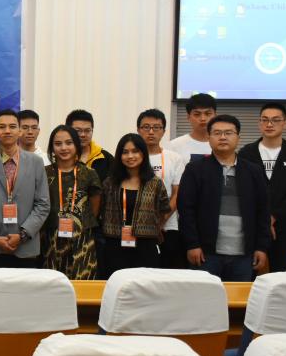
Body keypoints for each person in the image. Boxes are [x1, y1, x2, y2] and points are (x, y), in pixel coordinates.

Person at [179, 115, 270, 281]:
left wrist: (261, 247)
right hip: (206, 254)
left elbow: (263, 211)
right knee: (205, 295)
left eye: (228, 133)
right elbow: (186, 210)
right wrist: (192, 244)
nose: (222, 137)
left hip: (244, 254)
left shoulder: (253, 171)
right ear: (208, 137)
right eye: (217, 133)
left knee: (239, 297)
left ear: (238, 137)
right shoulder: (195, 169)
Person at [0, 109, 50, 268]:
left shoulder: (36, 162)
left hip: (26, 246)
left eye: (12, 126)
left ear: (20, 131)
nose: (7, 131)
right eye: (2, 127)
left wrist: (23, 235)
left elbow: (43, 204)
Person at [239, 102, 286, 273]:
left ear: (285, 123)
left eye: (275, 120)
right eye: (265, 120)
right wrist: (262, 218)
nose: (269, 124)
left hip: (283, 226)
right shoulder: (246, 153)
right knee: (249, 275)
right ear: (259, 123)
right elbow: (242, 189)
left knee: (279, 275)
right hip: (252, 225)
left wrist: (273, 216)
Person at [99, 134, 170, 275]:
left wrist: (151, 227)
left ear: (143, 153)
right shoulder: (110, 183)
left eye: (135, 151)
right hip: (115, 245)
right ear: (119, 156)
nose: (130, 156)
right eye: (125, 152)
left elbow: (164, 210)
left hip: (146, 246)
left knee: (144, 284)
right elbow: (101, 209)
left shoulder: (155, 183)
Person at [40, 125, 102, 280]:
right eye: (58, 144)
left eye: (69, 143)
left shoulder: (89, 173)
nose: (63, 148)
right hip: (51, 238)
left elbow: (95, 206)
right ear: (52, 148)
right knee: (53, 284)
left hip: (82, 239)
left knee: (82, 283)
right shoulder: (44, 173)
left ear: (76, 145)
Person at [137, 109, 187, 269]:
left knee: (166, 270)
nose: (151, 132)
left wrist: (161, 219)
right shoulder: (131, 157)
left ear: (164, 131)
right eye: (146, 127)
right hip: (137, 226)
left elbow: (177, 193)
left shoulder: (174, 158)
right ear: (138, 130)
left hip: (168, 226)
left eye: (156, 127)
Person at [66, 109, 113, 182]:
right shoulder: (61, 157)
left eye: (87, 130)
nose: (83, 135)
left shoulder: (106, 158)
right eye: (78, 131)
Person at [169, 93, 218, 163]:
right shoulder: (174, 146)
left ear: (215, 116)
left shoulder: (223, 144)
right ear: (188, 117)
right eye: (197, 114)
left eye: (208, 114)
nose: (203, 118)